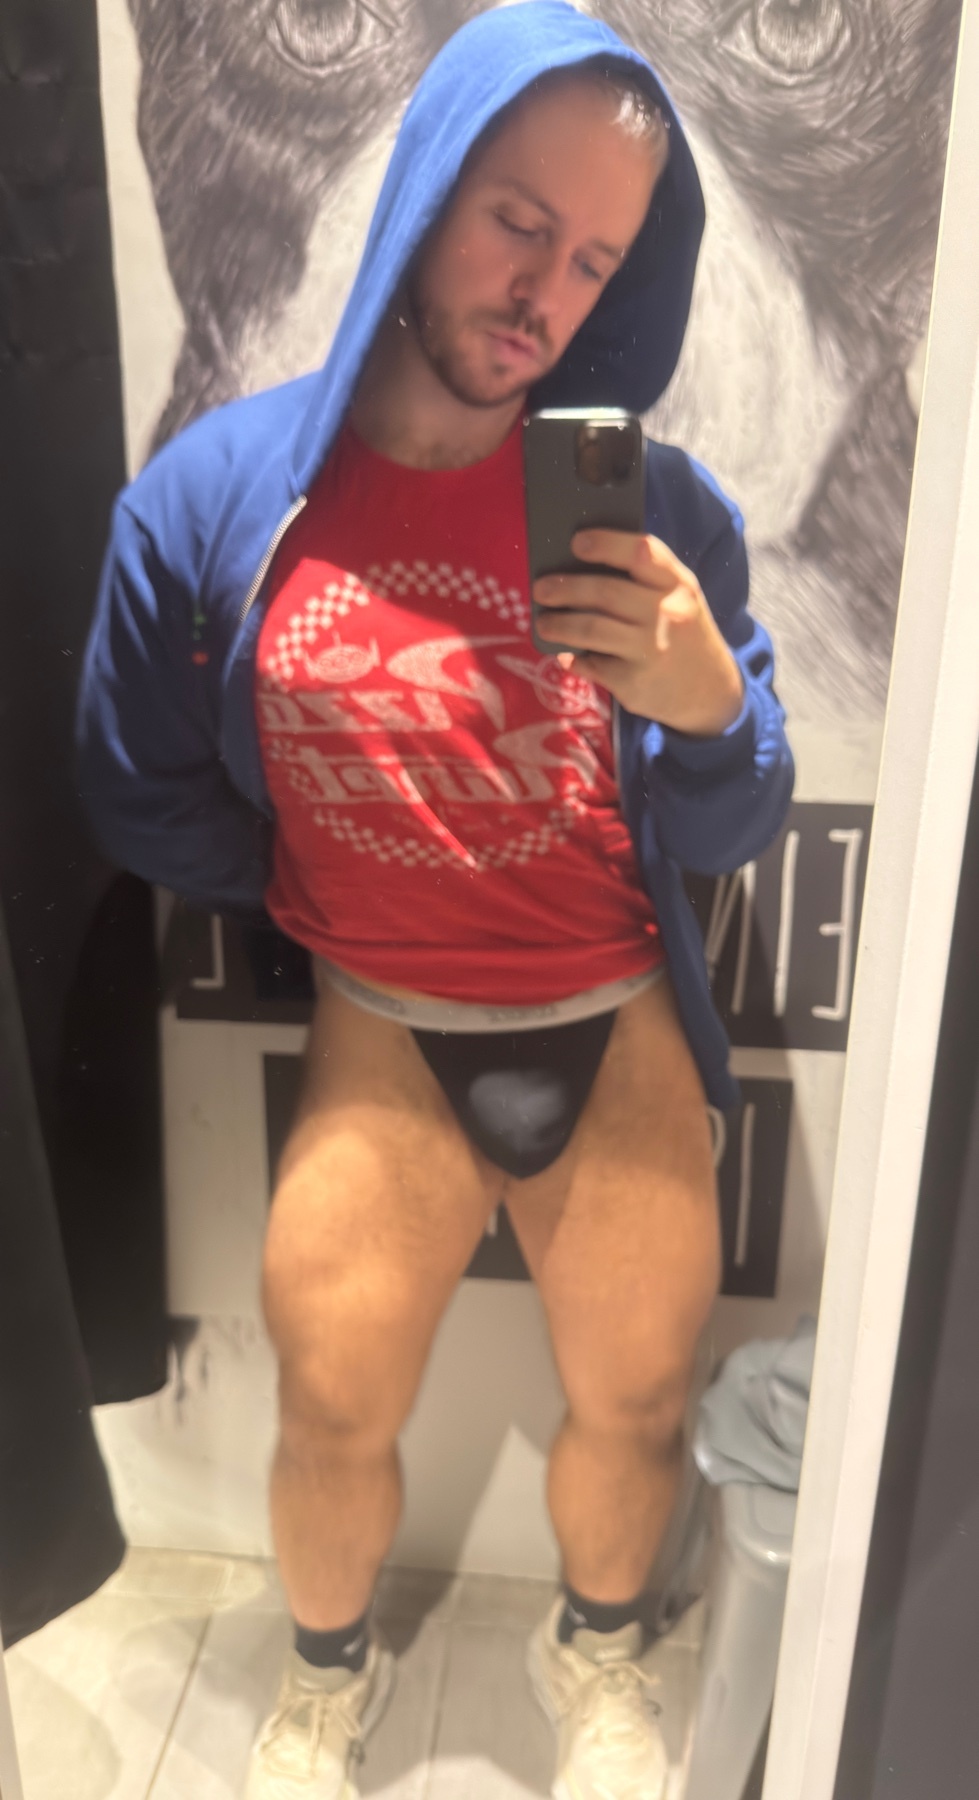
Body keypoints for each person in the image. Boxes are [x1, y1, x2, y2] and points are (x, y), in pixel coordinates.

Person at [78, 4, 793, 1795]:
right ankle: (326, 1680)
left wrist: (716, 712)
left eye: (597, 258)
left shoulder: (656, 512)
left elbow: (732, 820)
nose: (546, 290)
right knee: (330, 1404)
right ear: (424, 188)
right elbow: (134, 778)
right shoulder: (220, 496)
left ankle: (597, 1656)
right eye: (516, 222)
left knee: (638, 1398)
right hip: (381, 1028)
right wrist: (311, 876)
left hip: (613, 1014)